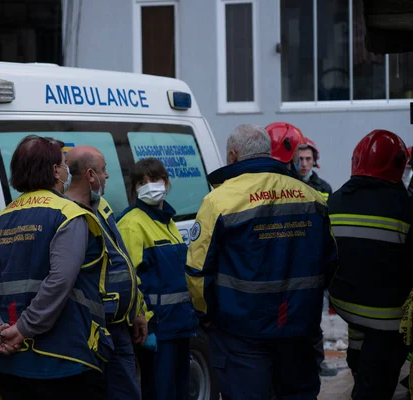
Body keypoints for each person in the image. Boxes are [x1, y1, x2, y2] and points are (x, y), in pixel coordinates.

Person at [186, 124, 338, 399]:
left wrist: (206, 316)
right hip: (300, 330)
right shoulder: (311, 196)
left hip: (242, 334)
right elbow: (330, 261)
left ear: (232, 155)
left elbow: (198, 272)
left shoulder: (219, 201)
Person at [0, 135, 112, 400]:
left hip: (7, 361)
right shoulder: (69, 214)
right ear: (55, 171)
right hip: (61, 359)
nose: (67, 170)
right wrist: (22, 330)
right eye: (63, 164)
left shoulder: (2, 219)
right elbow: (59, 280)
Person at [328, 129, 413, 400]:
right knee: (377, 382)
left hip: (347, 306)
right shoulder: (405, 207)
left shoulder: (335, 200)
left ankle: (358, 366)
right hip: (387, 317)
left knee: (361, 353)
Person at [65, 145, 148, 400]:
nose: (107, 176)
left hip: (120, 326)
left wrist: (137, 309)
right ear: (90, 175)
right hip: (91, 332)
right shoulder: (66, 214)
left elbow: (121, 262)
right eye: (104, 170)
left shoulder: (102, 205)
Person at [117, 157, 198, 400]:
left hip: (180, 325)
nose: (150, 185)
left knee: (181, 391)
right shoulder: (131, 223)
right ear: (134, 190)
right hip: (157, 329)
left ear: (166, 182)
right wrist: (147, 324)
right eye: (142, 182)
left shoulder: (168, 221)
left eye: (155, 179)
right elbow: (129, 279)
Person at [266, 121, 337, 378]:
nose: (304, 163)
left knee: (311, 319)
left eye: (308, 158)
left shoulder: (323, 189)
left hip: (310, 262)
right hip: (293, 264)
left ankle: (316, 363)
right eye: (300, 158)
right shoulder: (287, 185)